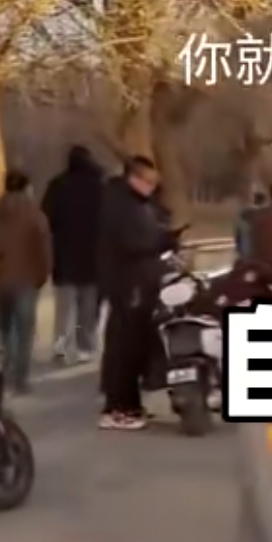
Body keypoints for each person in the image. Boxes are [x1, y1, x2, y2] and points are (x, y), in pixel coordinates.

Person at [97, 154, 175, 429]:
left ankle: (131, 403)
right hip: (127, 283)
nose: (152, 187)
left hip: (140, 280)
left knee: (137, 342)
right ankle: (117, 407)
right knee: (124, 345)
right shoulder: (121, 205)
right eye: (148, 181)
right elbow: (133, 242)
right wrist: (162, 240)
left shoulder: (139, 203)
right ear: (134, 178)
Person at [0, 169, 52, 395]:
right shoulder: (34, 215)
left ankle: (5, 372)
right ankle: (21, 378)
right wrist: (42, 276)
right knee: (24, 332)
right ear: (26, 188)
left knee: (4, 330)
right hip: (25, 280)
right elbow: (43, 249)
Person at [41, 144, 106, 364]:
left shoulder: (57, 186)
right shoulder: (99, 187)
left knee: (64, 309)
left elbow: (47, 219)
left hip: (65, 257)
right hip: (92, 258)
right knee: (87, 309)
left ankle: (60, 345)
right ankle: (84, 347)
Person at [235, 184, 267, 262]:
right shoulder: (265, 213)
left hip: (246, 248)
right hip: (260, 250)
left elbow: (238, 231)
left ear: (254, 200)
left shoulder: (245, 212)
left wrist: (238, 246)